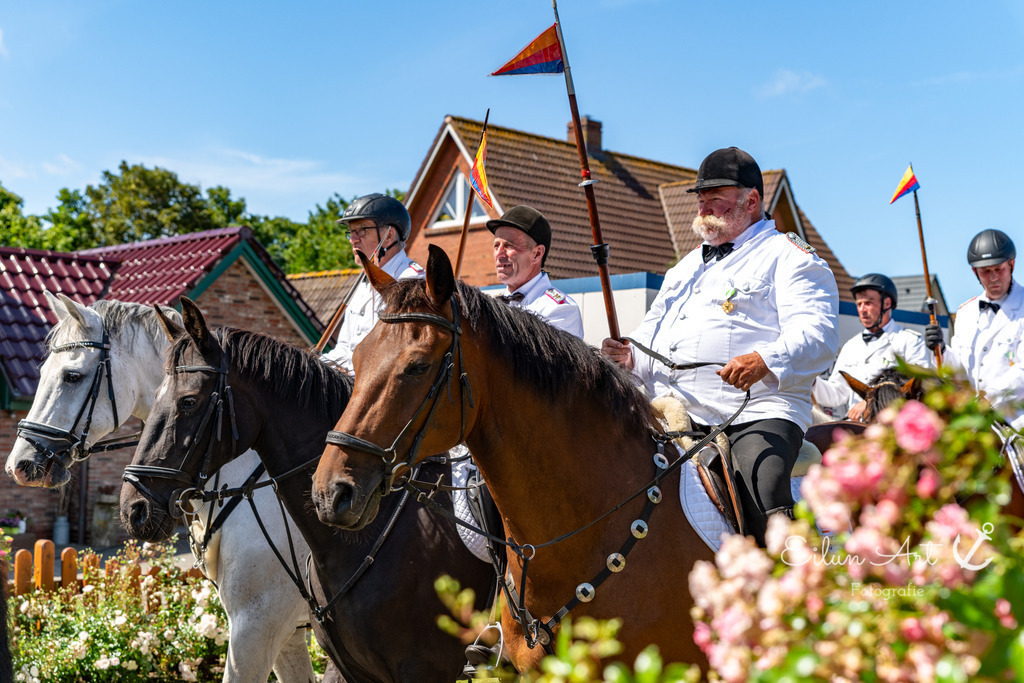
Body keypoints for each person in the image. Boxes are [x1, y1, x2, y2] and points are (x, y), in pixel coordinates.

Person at [601, 147, 839, 546]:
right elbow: (650, 336)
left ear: (751, 200)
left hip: (756, 412)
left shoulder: (790, 256)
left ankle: (792, 592)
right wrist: (630, 356)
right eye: (700, 198)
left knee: (761, 485)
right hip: (672, 411)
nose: (703, 206)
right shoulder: (685, 266)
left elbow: (819, 334)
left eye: (715, 197)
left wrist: (766, 359)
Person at [926, 229, 1024, 430]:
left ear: (1011, 265)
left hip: (1015, 420)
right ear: (975, 272)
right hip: (972, 421)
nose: (993, 277)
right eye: (985, 271)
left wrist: (989, 400)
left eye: (999, 269)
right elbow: (960, 371)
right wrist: (941, 350)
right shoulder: (965, 312)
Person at [321, 193, 424, 372]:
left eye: (361, 230)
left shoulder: (413, 282)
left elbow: (400, 355)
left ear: (389, 236)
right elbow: (345, 349)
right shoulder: (361, 283)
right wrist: (313, 364)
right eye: (351, 232)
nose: (353, 240)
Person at [813, 273, 933, 421]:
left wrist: (871, 402)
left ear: (887, 303)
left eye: (868, 303)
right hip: (855, 427)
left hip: (892, 427)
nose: (862, 310)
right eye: (859, 304)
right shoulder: (851, 346)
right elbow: (836, 395)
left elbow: (918, 390)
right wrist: (812, 381)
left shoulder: (910, 341)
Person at [487, 205, 584, 338]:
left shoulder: (560, 310)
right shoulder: (491, 306)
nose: (499, 254)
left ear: (537, 254)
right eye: (496, 245)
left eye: (509, 245)